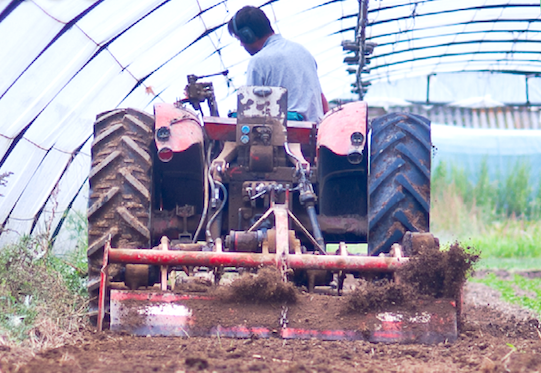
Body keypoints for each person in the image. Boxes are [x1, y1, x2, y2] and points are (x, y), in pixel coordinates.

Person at [228, 6, 329, 123]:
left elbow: (251, 114)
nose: (241, 44)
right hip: (315, 131)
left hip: (287, 135)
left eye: (240, 39)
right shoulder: (303, 52)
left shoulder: (258, 62)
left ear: (248, 36)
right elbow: (322, 102)